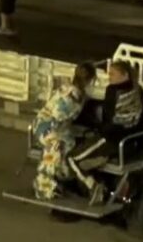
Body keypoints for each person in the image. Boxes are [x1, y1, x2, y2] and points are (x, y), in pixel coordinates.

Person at [68, 60, 143, 204]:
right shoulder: (138, 90)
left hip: (112, 140)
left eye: (112, 74)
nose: (109, 77)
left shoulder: (112, 91)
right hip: (130, 142)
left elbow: (108, 120)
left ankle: (94, 187)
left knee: (71, 159)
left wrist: (95, 129)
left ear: (124, 75)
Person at [30, 63, 97, 200]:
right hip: (47, 127)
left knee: (71, 146)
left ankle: (61, 181)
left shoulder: (73, 92)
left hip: (57, 127)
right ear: (90, 80)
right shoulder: (71, 95)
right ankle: (44, 187)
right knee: (55, 151)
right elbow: (58, 115)